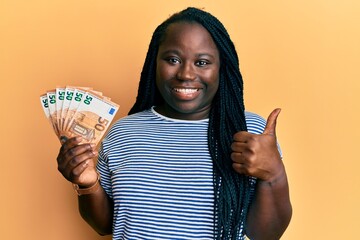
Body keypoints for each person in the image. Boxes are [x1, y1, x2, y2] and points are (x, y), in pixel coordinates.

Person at [56, 7, 292, 240]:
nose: (186, 74)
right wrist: (87, 184)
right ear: (154, 63)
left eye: (202, 62)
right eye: (173, 59)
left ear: (222, 68)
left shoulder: (249, 132)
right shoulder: (123, 132)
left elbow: (266, 235)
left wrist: (274, 174)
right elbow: (106, 225)